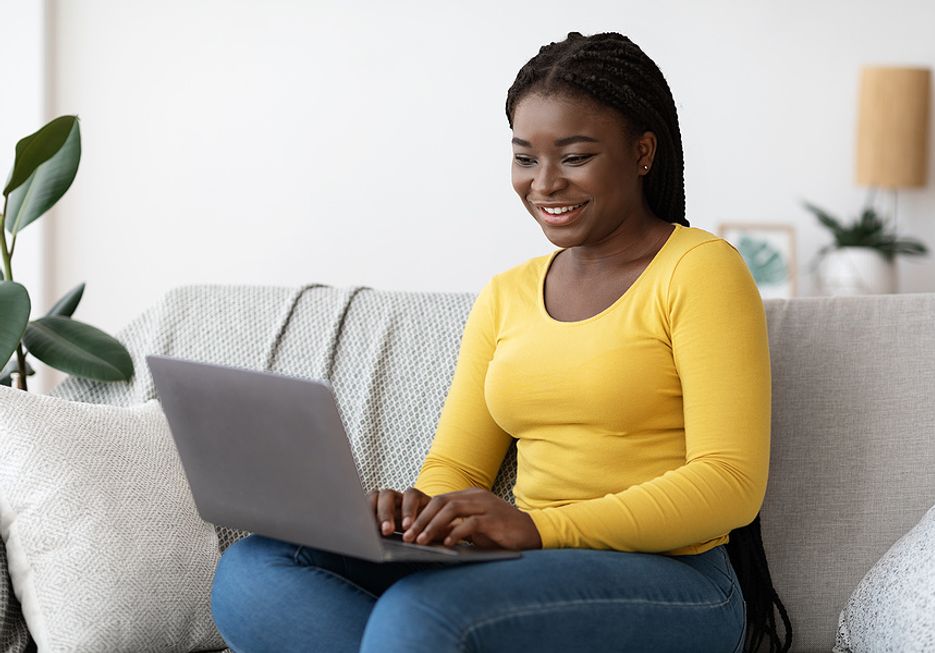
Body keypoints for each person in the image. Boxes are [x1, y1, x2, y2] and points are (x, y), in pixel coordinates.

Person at [210, 30, 792, 653]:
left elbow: (729, 481)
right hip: (521, 569)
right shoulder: (507, 293)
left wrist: (538, 529)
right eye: (525, 157)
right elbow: (457, 468)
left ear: (643, 153)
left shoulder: (700, 268)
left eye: (574, 157)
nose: (544, 184)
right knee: (255, 571)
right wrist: (414, 517)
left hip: (676, 580)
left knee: (422, 616)